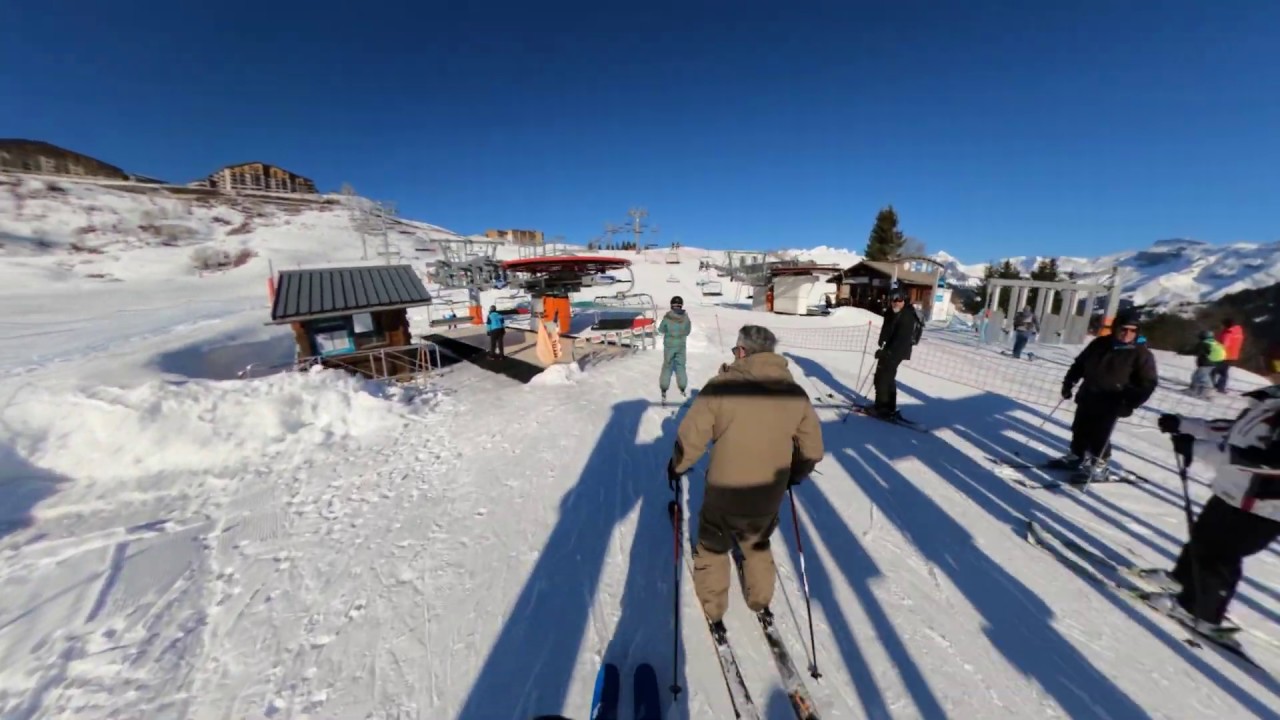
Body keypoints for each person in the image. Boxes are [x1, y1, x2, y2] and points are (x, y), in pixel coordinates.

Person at [667, 325, 824, 632]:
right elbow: (813, 450)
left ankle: (714, 608)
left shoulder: (721, 386)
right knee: (757, 542)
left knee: (713, 545)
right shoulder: (795, 393)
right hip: (768, 491)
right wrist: (794, 475)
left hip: (725, 490)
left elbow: (692, 437)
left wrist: (677, 465)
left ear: (742, 351)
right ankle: (759, 599)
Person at [1151, 368, 1280, 639]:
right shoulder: (1271, 400)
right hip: (1233, 490)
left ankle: (1203, 613)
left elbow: (1269, 462)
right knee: (1202, 538)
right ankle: (1181, 580)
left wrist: (1197, 448)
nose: (1273, 370)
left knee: (1221, 555)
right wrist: (1184, 424)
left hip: (1262, 504)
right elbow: (1233, 430)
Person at [1053, 308, 1158, 478]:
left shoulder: (1141, 354)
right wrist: (1068, 383)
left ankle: (1099, 464)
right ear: (1116, 327)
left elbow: (1148, 383)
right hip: (1088, 394)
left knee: (1099, 434)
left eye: (1132, 330)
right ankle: (1077, 455)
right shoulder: (1100, 343)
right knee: (1079, 428)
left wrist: (1131, 403)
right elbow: (1079, 364)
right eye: (1124, 329)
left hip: (1113, 401)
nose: (1127, 333)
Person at [871, 290, 920, 420]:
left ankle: (883, 408)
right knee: (884, 377)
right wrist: (882, 343)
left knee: (883, 379)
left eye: (899, 300)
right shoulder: (891, 312)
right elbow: (886, 330)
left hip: (897, 352)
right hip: (888, 349)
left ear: (904, 300)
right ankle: (887, 406)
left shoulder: (907, 316)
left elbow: (901, 340)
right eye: (893, 299)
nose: (896, 302)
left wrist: (886, 352)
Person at [657, 295, 691, 401]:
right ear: (681, 305)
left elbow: (661, 330)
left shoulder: (667, 317)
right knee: (681, 366)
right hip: (681, 346)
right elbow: (687, 331)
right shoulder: (685, 318)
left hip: (669, 346)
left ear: (671, 305)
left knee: (667, 365)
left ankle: (664, 387)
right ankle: (682, 386)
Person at [1211, 318, 1245, 393]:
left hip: (1224, 354)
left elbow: (1224, 344)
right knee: (1223, 371)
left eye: (1222, 325)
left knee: (1214, 370)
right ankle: (1220, 387)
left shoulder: (1228, 333)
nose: (1221, 326)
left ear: (1225, 325)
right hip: (1233, 355)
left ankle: (1212, 385)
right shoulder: (1238, 331)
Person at [1189, 329, 1225, 398]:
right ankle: (1193, 389)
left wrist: (1182, 351)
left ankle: (1208, 392)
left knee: (1202, 377)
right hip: (1218, 362)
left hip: (1208, 362)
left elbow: (1196, 351)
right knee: (1196, 376)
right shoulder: (1214, 342)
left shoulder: (1204, 343)